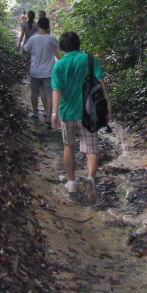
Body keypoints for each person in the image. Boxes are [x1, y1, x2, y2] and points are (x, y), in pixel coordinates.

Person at [51, 31, 111, 204]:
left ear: (62, 48)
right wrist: (107, 106)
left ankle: (71, 182)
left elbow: (57, 90)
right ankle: (90, 179)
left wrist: (54, 113)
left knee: (68, 145)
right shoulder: (90, 59)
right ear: (78, 44)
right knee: (91, 149)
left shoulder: (59, 65)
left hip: (67, 112)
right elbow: (100, 82)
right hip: (89, 112)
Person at [23, 16, 59, 125]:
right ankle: (48, 118)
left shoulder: (33, 39)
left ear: (38, 26)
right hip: (48, 72)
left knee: (34, 93)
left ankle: (35, 114)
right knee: (49, 95)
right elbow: (59, 49)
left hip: (35, 71)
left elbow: (25, 49)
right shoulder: (52, 38)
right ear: (48, 27)